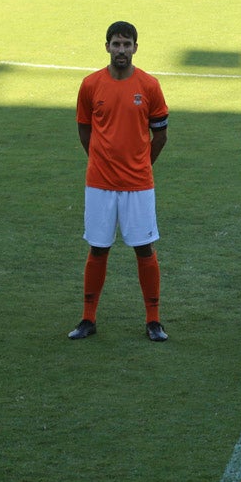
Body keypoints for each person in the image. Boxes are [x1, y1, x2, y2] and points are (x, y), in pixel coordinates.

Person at [68, 21, 170, 342]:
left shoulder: (149, 86)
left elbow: (161, 134)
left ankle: (153, 320)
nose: (121, 50)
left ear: (136, 48)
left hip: (138, 184)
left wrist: (141, 163)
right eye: (116, 44)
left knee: (144, 248)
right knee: (98, 248)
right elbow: (85, 129)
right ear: (107, 46)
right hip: (99, 182)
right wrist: (99, 159)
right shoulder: (90, 85)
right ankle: (88, 318)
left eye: (127, 44)